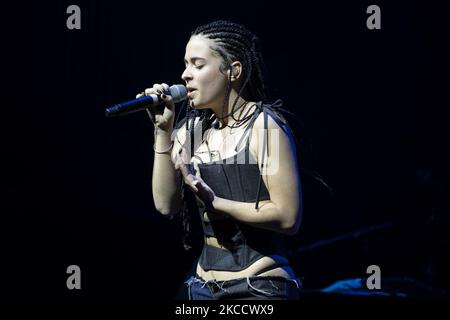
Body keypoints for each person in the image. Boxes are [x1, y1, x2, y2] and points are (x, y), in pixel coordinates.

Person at [137, 20, 302, 300]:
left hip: (258, 286)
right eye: (185, 64)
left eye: (197, 65)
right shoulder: (194, 130)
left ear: (233, 71)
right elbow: (166, 205)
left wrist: (216, 203)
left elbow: (288, 217)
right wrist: (163, 131)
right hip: (201, 286)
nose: (185, 75)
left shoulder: (264, 126)